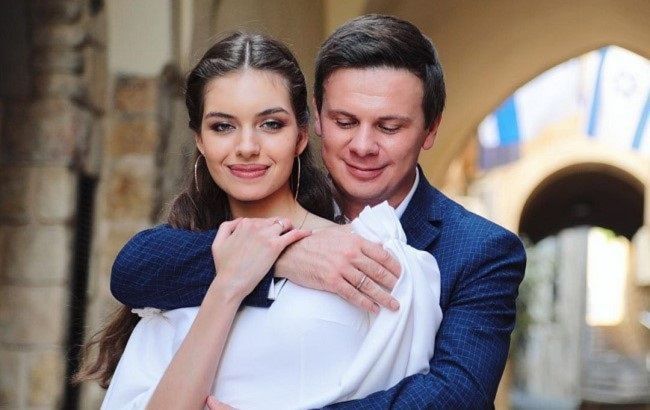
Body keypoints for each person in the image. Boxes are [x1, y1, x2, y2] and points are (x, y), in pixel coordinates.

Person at [110, 14, 526, 409]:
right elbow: (132, 270)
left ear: (430, 129)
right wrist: (283, 255)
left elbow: (455, 396)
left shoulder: (478, 251)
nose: (362, 146)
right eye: (345, 121)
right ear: (317, 121)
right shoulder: (275, 203)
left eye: (389, 127)